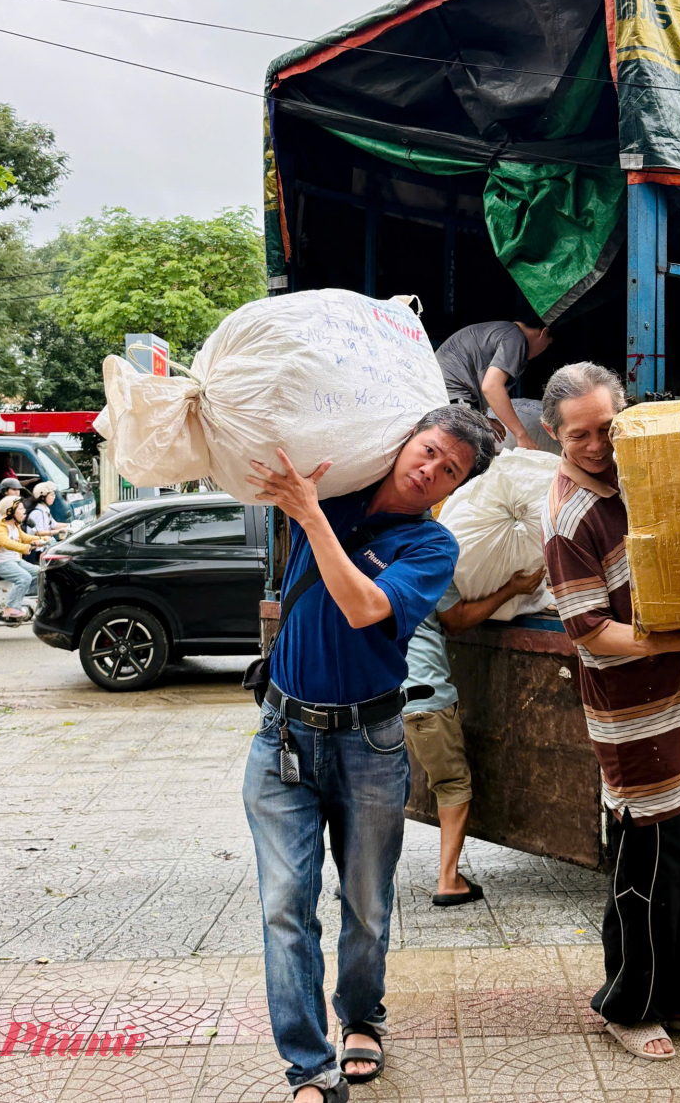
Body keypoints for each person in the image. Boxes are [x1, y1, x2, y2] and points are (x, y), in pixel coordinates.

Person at [242, 406, 496, 1103]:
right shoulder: (337, 486)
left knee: (365, 900)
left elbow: (360, 606)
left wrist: (309, 515)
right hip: (284, 737)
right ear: (403, 442)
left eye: (450, 469)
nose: (430, 469)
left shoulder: (431, 546)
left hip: (371, 742)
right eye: (428, 449)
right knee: (285, 904)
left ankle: (362, 1016)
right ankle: (308, 1066)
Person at [539, 362, 680, 1062]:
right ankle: (630, 1005)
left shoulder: (643, 477)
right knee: (647, 876)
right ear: (554, 435)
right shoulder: (568, 518)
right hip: (635, 726)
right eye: (579, 433)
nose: (596, 444)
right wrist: (677, 635)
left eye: (606, 427)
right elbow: (588, 632)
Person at [402, 564, 546, 904]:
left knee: (376, 786)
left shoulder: (365, 551)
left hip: (377, 694)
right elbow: (456, 619)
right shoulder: (427, 553)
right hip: (425, 696)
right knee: (452, 785)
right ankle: (449, 881)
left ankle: (359, 877)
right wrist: (512, 589)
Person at [435, 319, 552, 448]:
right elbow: (491, 387)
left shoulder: (501, 330)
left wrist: (482, 418)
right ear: (544, 333)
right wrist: (521, 435)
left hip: (441, 393)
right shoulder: (516, 338)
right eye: (547, 344)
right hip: (453, 397)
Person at [0, 497, 50, 619]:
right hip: (0, 562)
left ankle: (41, 602)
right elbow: (7, 543)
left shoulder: (15, 526)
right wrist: (25, 547)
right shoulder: (0, 528)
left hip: (15, 561)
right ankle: (10, 608)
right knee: (24, 578)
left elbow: (26, 537)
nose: (24, 511)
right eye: (21, 509)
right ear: (10, 512)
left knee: (40, 572)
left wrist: (42, 540)